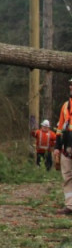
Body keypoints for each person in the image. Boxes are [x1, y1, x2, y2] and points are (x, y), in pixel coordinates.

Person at [54, 79, 72, 215]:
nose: (71, 87)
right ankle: (70, 205)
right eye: (71, 84)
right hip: (67, 147)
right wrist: (57, 147)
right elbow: (60, 128)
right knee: (67, 176)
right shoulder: (66, 106)